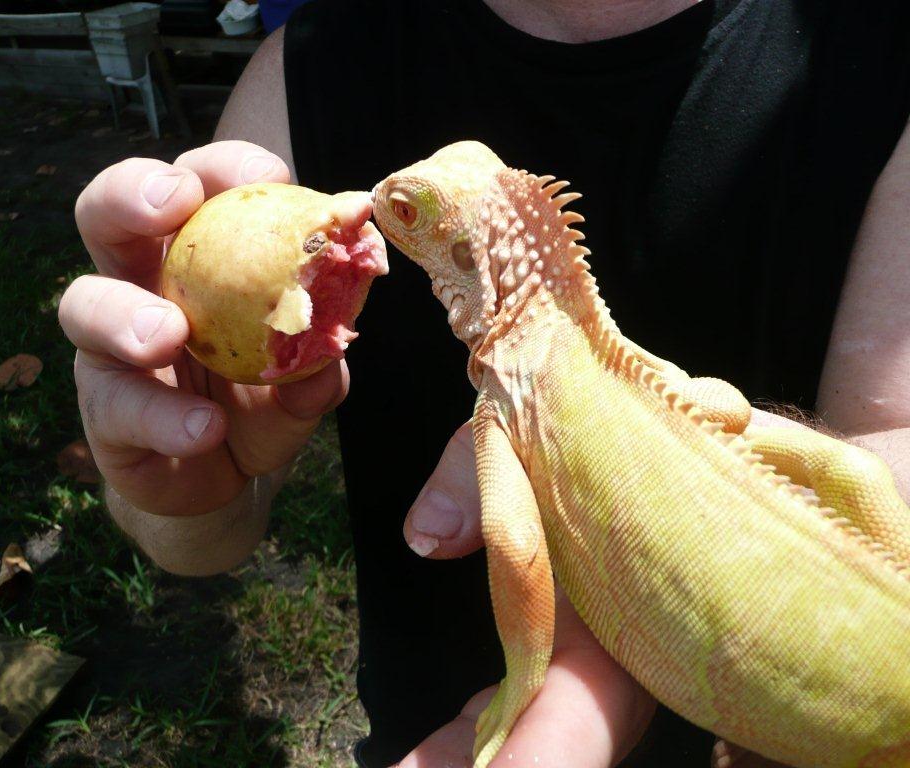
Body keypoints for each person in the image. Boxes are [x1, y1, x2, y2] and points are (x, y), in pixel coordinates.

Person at [58, 0, 910, 765]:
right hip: (429, 723)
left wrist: (525, 679)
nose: (377, 205)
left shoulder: (877, 55)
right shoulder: (314, 64)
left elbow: (515, 548)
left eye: (413, 213)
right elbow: (855, 471)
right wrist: (185, 490)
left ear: (466, 257)